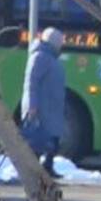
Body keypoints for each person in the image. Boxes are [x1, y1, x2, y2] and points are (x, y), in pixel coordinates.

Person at [21, 28, 66, 175]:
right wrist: (32, 105)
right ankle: (33, 168)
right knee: (38, 139)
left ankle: (48, 166)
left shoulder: (51, 57)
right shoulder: (40, 56)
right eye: (60, 41)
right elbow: (31, 82)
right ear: (52, 41)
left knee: (52, 138)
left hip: (52, 106)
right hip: (42, 107)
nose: (62, 44)